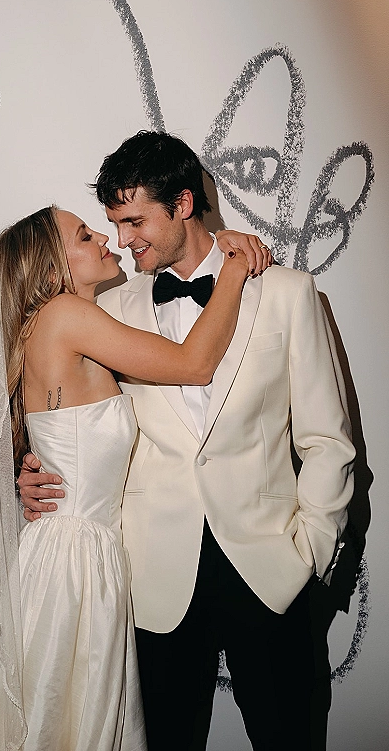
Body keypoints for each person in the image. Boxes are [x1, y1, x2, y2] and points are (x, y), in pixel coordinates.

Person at [0, 201, 267, 751]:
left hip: (77, 554)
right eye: (83, 234)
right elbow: (194, 364)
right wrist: (235, 268)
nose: (103, 236)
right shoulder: (65, 317)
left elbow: (59, 434)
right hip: (73, 564)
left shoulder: (61, 326)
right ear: (55, 270)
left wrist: (27, 473)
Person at [19, 132, 355, 751]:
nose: (122, 239)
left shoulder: (286, 293)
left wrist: (310, 552)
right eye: (113, 225)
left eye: (134, 220)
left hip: (271, 571)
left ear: (181, 205)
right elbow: (60, 403)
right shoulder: (107, 308)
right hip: (154, 581)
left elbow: (327, 441)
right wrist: (32, 468)